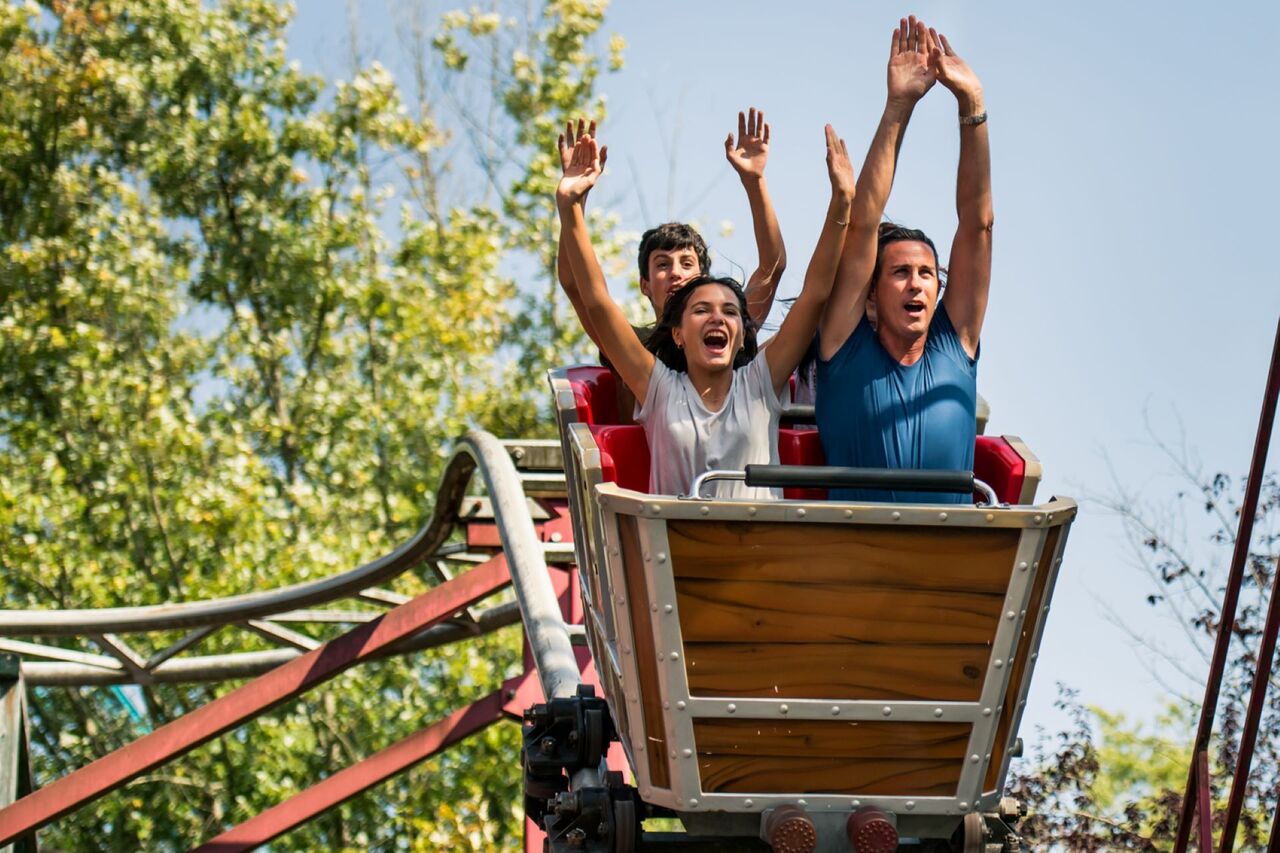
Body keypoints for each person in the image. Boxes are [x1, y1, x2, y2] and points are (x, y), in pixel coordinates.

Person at [556, 125, 855, 499]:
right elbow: (592, 298)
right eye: (700, 310)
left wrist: (841, 201)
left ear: (743, 330)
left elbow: (806, 289)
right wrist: (572, 206)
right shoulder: (657, 382)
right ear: (678, 332)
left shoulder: (757, 381)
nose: (717, 317)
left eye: (729, 311)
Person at [815, 18, 992, 504]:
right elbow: (863, 225)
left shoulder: (955, 348)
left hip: (944, 560)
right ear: (871, 291)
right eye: (899, 273)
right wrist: (898, 108)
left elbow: (977, 225)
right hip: (858, 559)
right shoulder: (844, 349)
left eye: (926, 274)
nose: (916, 284)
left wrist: (972, 107)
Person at [555, 110, 787, 350]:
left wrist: (754, 181)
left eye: (687, 264)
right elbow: (575, 283)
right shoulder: (633, 347)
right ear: (645, 285)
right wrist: (574, 200)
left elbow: (772, 266)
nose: (676, 273)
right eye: (663, 265)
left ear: (704, 280)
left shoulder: (729, 329)